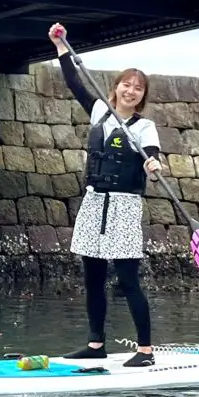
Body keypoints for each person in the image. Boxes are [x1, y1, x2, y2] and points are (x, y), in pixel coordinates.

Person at [48, 22, 164, 367]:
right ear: (116, 87)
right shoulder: (100, 110)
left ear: (143, 96)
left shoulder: (145, 127)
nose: (131, 91)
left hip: (124, 206)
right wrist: (60, 46)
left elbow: (153, 153)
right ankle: (96, 344)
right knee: (93, 279)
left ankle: (145, 351)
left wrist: (154, 165)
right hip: (94, 202)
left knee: (128, 280)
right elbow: (73, 81)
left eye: (138, 88)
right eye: (126, 85)